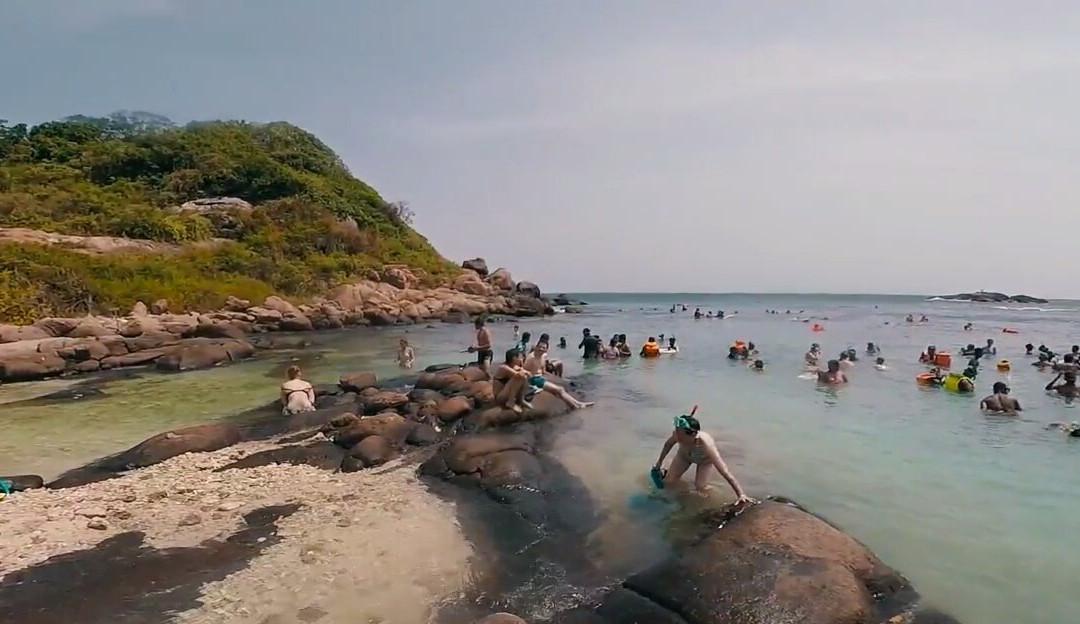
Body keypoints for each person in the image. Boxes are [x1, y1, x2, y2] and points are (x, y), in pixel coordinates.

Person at [653, 413, 754, 504]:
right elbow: (668, 445)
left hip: (704, 461)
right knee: (669, 481)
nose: (677, 436)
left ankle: (720, 496)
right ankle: (679, 491)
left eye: (680, 435)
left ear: (693, 434)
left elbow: (724, 471)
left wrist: (741, 494)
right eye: (676, 431)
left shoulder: (706, 444)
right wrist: (659, 463)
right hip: (684, 456)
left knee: (700, 487)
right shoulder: (677, 434)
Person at [523, 341, 593, 409]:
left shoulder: (543, 356)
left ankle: (578, 403)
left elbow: (543, 371)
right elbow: (524, 371)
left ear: (546, 349)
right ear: (536, 347)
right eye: (540, 347)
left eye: (543, 348)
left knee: (559, 391)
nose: (541, 349)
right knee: (560, 390)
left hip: (540, 377)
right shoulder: (531, 358)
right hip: (534, 379)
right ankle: (576, 406)